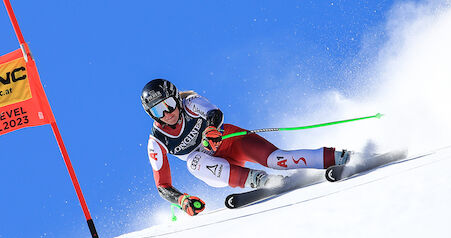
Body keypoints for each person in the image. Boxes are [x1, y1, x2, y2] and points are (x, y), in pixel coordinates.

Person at [141, 79, 351, 216]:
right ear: (152, 115)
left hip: (231, 141)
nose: (167, 112)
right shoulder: (157, 141)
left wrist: (212, 129)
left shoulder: (190, 103)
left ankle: (340, 157)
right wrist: (182, 199)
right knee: (192, 162)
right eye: (158, 110)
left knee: (278, 159)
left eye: (168, 103)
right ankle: (260, 180)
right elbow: (162, 185)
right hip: (215, 169)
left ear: (176, 98)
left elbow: (214, 113)